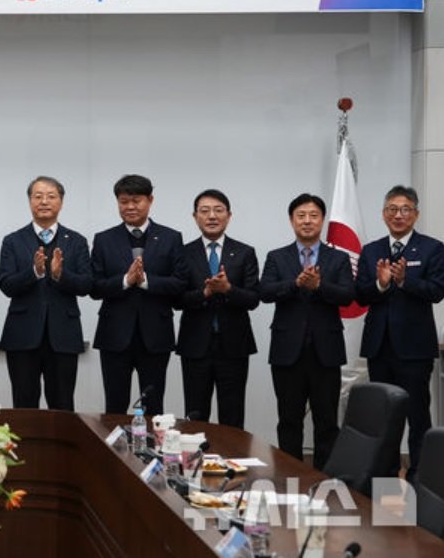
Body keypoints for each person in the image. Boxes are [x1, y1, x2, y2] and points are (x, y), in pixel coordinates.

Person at [355, 185, 444, 482]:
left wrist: (405, 281)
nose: (398, 215)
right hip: (379, 348)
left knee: (417, 416)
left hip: (415, 350)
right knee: (384, 417)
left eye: (405, 209)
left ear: (416, 214)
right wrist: (381, 285)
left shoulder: (432, 248)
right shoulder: (371, 250)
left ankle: (421, 481)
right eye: (392, 209)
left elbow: (436, 291)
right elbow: (361, 295)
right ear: (383, 215)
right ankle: (386, 481)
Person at [260, 193, 354, 469]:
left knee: (327, 422)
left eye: (313, 215)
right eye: (301, 215)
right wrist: (296, 284)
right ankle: (291, 476)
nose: (307, 221)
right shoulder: (277, 257)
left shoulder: (338, 258)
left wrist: (319, 286)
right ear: (291, 220)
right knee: (289, 420)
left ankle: (323, 479)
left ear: (322, 220)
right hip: (287, 352)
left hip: (326, 352)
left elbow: (348, 295)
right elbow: (265, 292)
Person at [90, 175, 187, 416]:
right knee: (115, 406)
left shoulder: (171, 238)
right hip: (114, 335)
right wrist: (126, 280)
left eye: (136, 201)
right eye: (124, 201)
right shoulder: (103, 239)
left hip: (155, 335)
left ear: (150, 200)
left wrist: (145, 281)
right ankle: (113, 443)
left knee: (153, 406)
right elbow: (94, 287)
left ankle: (152, 442)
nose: (130, 207)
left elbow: (180, 283)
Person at [0, 176, 92, 410]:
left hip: (64, 336)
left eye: (51, 196)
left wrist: (60, 275)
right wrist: (35, 272)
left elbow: (86, 285)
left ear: (61, 202)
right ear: (30, 201)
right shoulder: (13, 241)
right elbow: (6, 284)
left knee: (62, 406)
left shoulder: (77, 241)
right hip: (22, 336)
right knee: (24, 405)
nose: (44, 201)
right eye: (38, 196)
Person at [175, 189, 260, 428]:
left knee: (232, 416)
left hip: (234, 346)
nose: (212, 216)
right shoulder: (183, 253)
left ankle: (232, 455)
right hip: (195, 345)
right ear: (195, 217)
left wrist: (228, 289)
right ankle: (195, 454)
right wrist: (204, 293)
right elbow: (175, 299)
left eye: (218, 210)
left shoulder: (244, 252)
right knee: (195, 415)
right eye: (205, 211)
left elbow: (254, 298)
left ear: (228, 216)